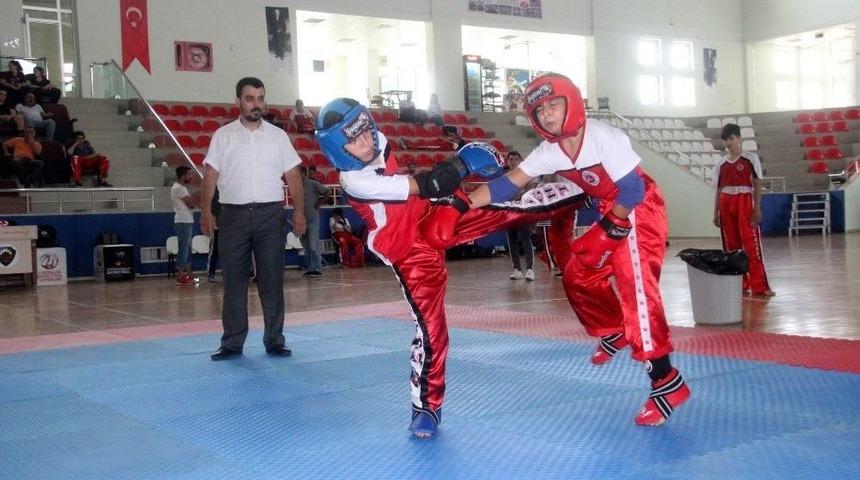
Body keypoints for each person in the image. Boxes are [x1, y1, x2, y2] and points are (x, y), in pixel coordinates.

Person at [423, 73, 690, 427]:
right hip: (608, 209)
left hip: (637, 208)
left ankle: (666, 382)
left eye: (553, 105)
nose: (548, 115)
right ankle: (614, 328)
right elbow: (506, 185)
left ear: (572, 102)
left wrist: (612, 227)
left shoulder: (604, 137)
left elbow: (632, 190)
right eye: (540, 110)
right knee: (578, 274)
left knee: (635, 287)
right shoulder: (551, 151)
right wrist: (460, 205)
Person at [315, 98, 587, 438]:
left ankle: (586, 191)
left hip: (428, 215)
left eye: (366, 131)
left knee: (507, 208)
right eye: (354, 140)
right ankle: (426, 407)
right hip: (408, 252)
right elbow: (425, 185)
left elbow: (426, 191)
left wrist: (457, 181)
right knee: (431, 329)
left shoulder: (377, 142)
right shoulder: (356, 181)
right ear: (338, 150)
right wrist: (462, 163)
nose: (367, 142)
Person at [200, 76, 306, 361]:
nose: (256, 105)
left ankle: (274, 340)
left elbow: (293, 175)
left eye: (260, 99)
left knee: (272, 280)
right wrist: (206, 211)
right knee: (234, 282)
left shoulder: (278, 136)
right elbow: (210, 176)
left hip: (270, 215)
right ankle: (232, 343)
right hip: (232, 216)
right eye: (250, 99)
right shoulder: (223, 136)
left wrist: (298, 210)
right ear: (238, 102)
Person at [714, 123, 774, 297]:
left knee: (751, 244)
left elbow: (757, 184)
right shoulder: (721, 164)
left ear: (739, 138)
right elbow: (719, 190)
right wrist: (715, 212)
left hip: (745, 202)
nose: (728, 142)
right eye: (725, 139)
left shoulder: (750, 159)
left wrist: (757, 208)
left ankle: (760, 286)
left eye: (731, 138)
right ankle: (739, 284)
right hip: (726, 203)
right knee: (731, 247)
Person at [504, 151, 537, 281]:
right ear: (507, 161)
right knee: (512, 241)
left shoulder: (526, 175)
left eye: (516, 159)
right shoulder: (504, 178)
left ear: (521, 160)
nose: (513, 161)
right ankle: (516, 269)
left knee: (526, 238)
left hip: (523, 211)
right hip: (509, 211)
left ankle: (530, 269)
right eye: (510, 159)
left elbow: (530, 193)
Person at [299, 165, 330, 277]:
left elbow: (327, 192)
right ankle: (310, 268)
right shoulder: (296, 186)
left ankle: (317, 268)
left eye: (299, 173)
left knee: (313, 244)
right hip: (301, 220)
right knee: (306, 246)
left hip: (312, 219)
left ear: (304, 173)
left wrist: (319, 204)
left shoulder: (312, 184)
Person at [171, 166, 197, 285]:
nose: (190, 177)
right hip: (183, 221)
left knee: (187, 249)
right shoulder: (180, 188)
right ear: (183, 176)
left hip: (185, 221)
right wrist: (193, 201)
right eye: (189, 174)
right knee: (184, 249)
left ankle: (188, 274)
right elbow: (191, 203)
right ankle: (181, 275)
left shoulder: (180, 188)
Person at [207, 188, 221, 282]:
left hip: (228, 226)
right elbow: (212, 209)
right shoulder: (215, 191)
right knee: (215, 250)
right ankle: (211, 273)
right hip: (217, 226)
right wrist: (212, 225)